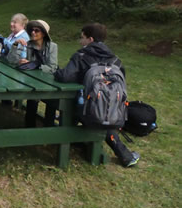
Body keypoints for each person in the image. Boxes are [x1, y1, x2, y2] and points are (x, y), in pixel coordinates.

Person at [54, 23, 140, 167]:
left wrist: (56, 71)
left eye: (82, 38)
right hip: (112, 109)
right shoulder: (115, 60)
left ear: (90, 39)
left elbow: (66, 77)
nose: (81, 42)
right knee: (102, 114)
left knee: (79, 106)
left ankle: (66, 139)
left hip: (83, 108)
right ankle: (125, 155)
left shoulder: (81, 56)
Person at [7, 20, 58, 127]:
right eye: (31, 30)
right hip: (32, 80)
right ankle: (29, 127)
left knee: (52, 101)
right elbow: (11, 60)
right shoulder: (28, 44)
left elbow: (52, 67)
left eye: (36, 30)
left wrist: (34, 64)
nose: (33, 33)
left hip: (49, 81)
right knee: (32, 100)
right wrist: (15, 45)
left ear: (43, 33)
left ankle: (48, 130)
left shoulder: (52, 46)